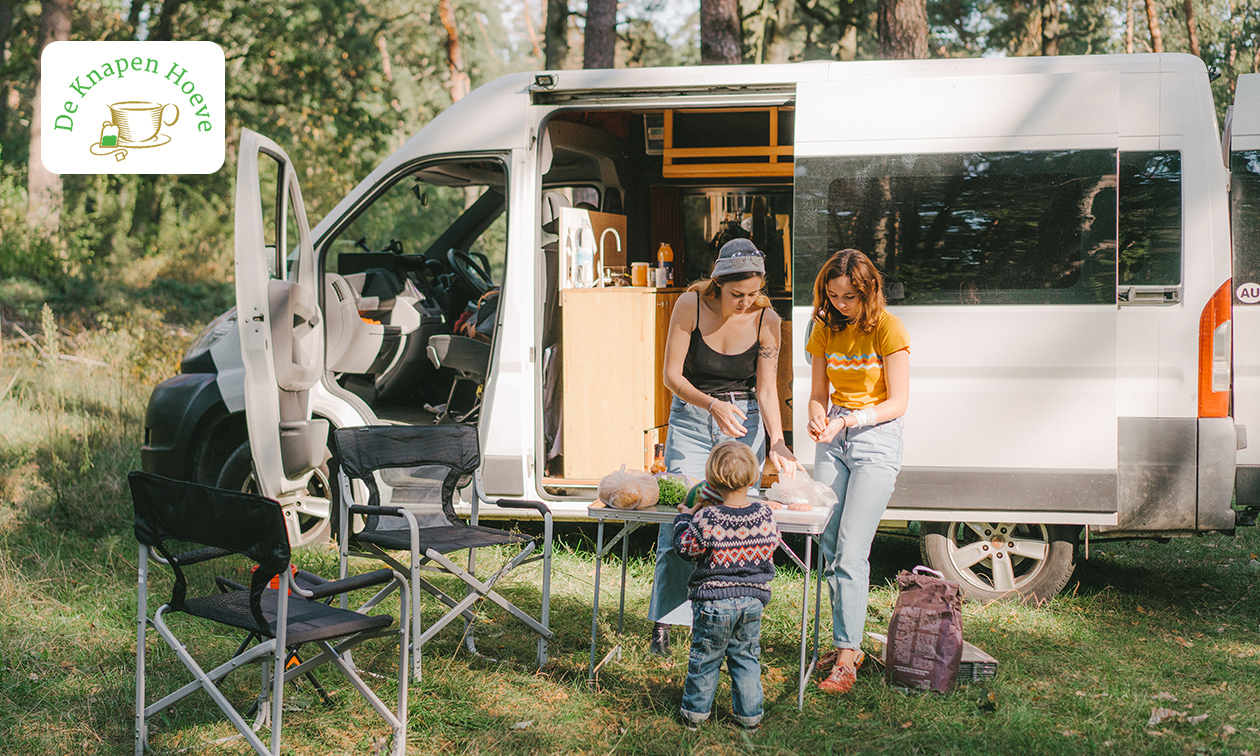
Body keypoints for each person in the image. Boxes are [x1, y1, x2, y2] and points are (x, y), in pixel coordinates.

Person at [648, 238, 803, 655]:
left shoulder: (766, 318)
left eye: (754, 293)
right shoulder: (690, 305)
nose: (746, 301)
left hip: (744, 423)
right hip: (695, 418)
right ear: (717, 284)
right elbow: (671, 376)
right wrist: (712, 404)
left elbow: (768, 389)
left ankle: (728, 620)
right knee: (681, 515)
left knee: (735, 525)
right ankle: (665, 621)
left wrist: (778, 441)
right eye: (738, 294)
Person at [806, 248, 910, 695]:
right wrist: (816, 416)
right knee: (829, 542)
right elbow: (816, 392)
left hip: (875, 436)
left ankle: (847, 656)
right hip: (835, 433)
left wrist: (849, 419)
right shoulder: (824, 326)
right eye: (833, 296)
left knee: (851, 548)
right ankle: (845, 643)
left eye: (850, 296)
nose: (841, 305)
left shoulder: (889, 327)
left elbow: (898, 402)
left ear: (868, 292)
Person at [672, 440, 778, 730]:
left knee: (705, 658)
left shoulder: (708, 517)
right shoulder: (765, 514)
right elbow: (771, 545)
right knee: (745, 657)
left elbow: (685, 548)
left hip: (714, 602)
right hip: (753, 600)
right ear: (754, 477)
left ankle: (694, 716)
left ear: (712, 480)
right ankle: (750, 717)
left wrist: (684, 517)